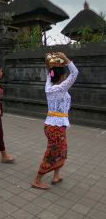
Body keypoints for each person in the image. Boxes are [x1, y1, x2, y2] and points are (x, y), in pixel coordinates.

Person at [32, 52, 78, 190]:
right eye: (64, 75)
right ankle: (37, 180)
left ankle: (56, 175)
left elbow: (49, 74)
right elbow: (75, 73)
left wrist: (49, 64)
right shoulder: (60, 88)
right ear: (63, 77)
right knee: (53, 153)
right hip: (55, 127)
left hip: (54, 125)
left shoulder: (49, 86)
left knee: (61, 151)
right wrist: (65, 58)